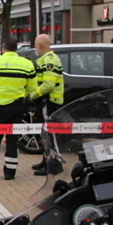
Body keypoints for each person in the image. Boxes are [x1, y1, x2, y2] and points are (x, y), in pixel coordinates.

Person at [0, 36, 36, 181]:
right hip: (17, 106)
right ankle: (10, 172)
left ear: (3, 48)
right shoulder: (27, 64)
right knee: (13, 138)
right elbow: (32, 88)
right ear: (16, 49)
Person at [28, 34, 64, 176]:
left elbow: (48, 84)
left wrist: (34, 95)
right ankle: (46, 160)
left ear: (40, 45)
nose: (35, 46)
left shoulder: (50, 60)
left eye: (36, 43)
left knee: (50, 133)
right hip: (45, 101)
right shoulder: (44, 59)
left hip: (49, 102)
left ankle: (54, 164)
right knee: (45, 132)